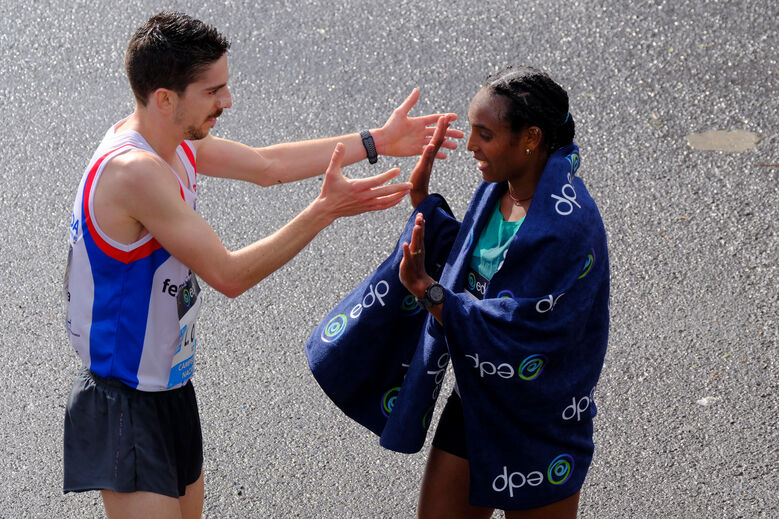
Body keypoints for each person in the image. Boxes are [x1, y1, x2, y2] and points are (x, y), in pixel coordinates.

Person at [62, 11, 463, 519]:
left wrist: (377, 142)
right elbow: (228, 275)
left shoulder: (168, 141)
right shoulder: (134, 173)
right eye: (213, 91)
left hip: (169, 388)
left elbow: (266, 166)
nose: (227, 102)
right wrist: (324, 210)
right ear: (165, 98)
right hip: (125, 399)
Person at [304, 65, 608, 519]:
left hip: (541, 421)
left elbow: (524, 332)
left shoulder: (570, 226)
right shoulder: (498, 193)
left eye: (484, 134)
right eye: (470, 131)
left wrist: (430, 293)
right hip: (476, 399)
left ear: (530, 137)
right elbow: (470, 261)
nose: (470, 146)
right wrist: (423, 201)